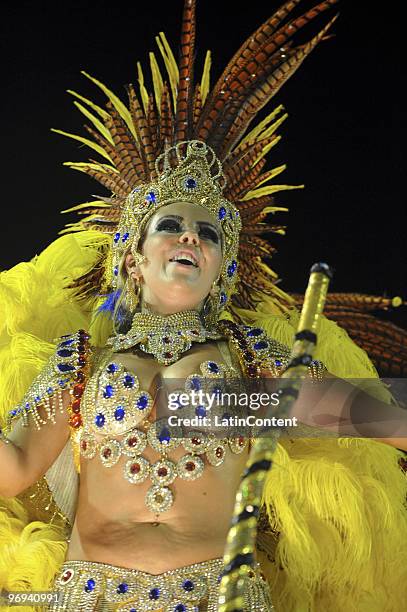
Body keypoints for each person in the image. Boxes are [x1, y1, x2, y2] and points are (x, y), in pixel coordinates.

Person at [0, 1, 406, 611]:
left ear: (222, 271)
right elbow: (15, 466)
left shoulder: (249, 357)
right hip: (91, 599)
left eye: (209, 233)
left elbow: (375, 417)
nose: (191, 237)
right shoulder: (84, 359)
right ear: (132, 257)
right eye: (171, 224)